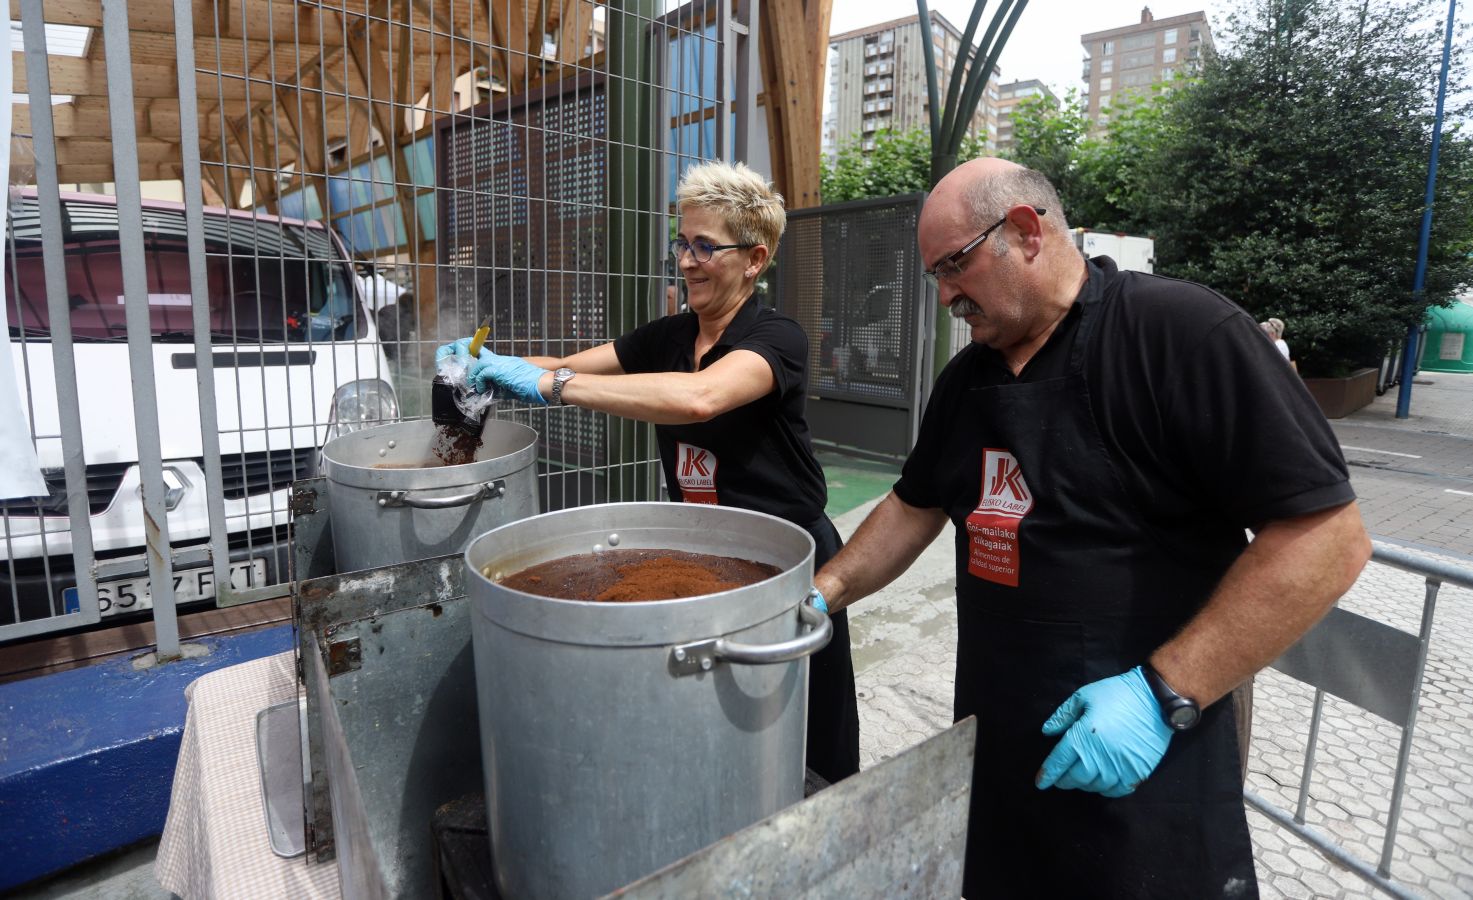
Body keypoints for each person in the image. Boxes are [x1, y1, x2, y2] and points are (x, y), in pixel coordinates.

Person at [811, 158, 1371, 898]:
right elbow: (913, 507)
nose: (945, 294)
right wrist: (822, 594)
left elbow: (1327, 537)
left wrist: (1163, 693)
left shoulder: (1181, 335)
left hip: (1146, 749)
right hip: (1001, 741)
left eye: (953, 265)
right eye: (935, 276)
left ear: (1023, 231)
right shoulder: (967, 380)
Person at [438, 160, 861, 784]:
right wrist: (482, 363)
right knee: (715, 734)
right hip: (702, 553)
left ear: (755, 258)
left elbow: (700, 397)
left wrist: (555, 387)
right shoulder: (669, 335)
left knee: (806, 739)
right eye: (682, 243)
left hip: (787, 557)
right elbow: (562, 363)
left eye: (706, 247)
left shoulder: (778, 339)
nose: (687, 261)